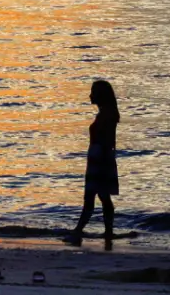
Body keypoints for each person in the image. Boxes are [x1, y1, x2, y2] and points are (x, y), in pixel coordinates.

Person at [65, 80, 120, 250]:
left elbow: (108, 141)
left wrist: (102, 161)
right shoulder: (105, 114)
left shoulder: (108, 115)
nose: (90, 95)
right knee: (101, 197)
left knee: (94, 197)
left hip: (100, 158)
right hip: (98, 157)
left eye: (93, 92)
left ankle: (80, 231)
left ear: (100, 95)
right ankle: (106, 231)